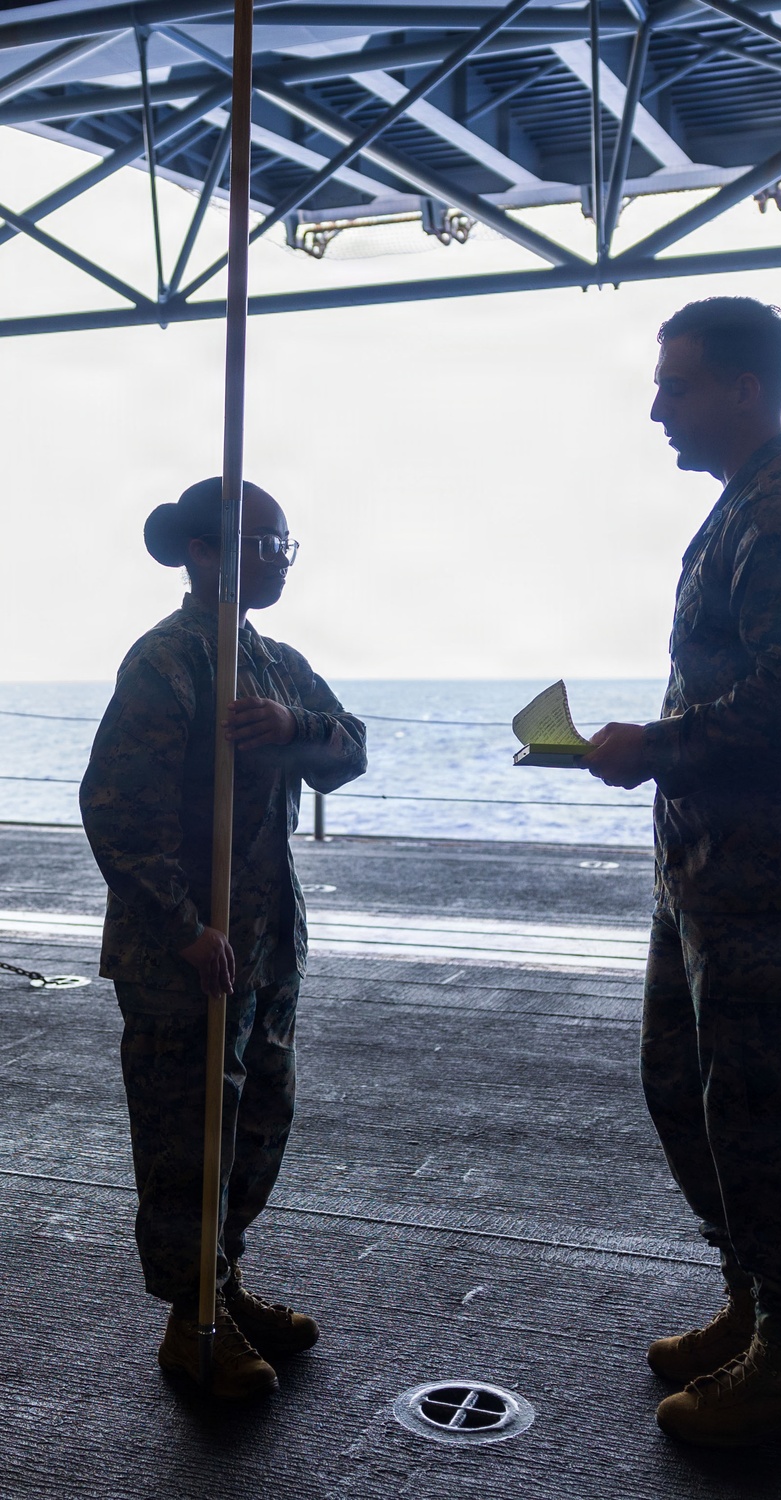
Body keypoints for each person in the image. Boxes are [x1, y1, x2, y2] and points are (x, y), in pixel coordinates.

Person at [585, 298, 781, 1447]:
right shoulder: (743, 511)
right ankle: (754, 1300)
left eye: (677, 384)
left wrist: (650, 748)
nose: (657, 406)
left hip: (774, 881)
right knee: (686, 1093)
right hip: (711, 875)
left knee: (771, 1120)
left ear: (742, 391)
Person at [80, 478, 367, 1401]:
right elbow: (117, 814)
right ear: (207, 552)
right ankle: (187, 1318)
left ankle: (225, 1281)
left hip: (267, 941)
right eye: (265, 544)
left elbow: (352, 750)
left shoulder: (274, 663)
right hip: (187, 954)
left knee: (256, 1121)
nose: (279, 560)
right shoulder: (167, 662)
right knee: (186, 1132)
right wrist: (186, 928)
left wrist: (298, 726)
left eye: (286, 545)